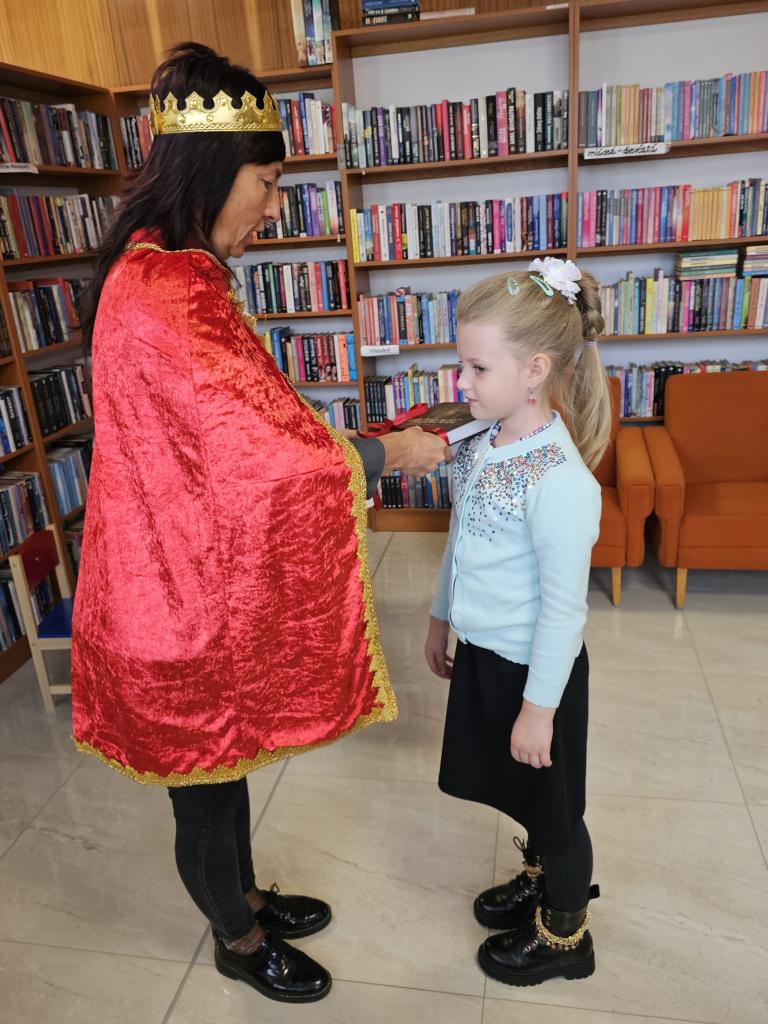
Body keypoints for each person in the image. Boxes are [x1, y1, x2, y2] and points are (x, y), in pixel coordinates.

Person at [72, 42, 448, 1006]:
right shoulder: (171, 289)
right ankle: (238, 941)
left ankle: (244, 898)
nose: (275, 208)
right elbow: (263, 460)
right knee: (204, 789)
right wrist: (390, 456)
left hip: (173, 577)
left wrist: (353, 442)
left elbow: (242, 433)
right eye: (269, 182)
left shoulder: (153, 267)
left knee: (226, 757)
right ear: (212, 170)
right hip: (173, 600)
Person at [424, 257, 612, 986]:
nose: (461, 384)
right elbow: (462, 538)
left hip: (538, 675)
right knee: (521, 791)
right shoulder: (480, 443)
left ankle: (566, 934)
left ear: (535, 370)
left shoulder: (561, 481)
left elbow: (565, 610)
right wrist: (441, 618)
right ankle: (538, 881)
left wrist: (539, 711)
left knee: (556, 810)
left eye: (477, 368)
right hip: (486, 657)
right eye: (461, 365)